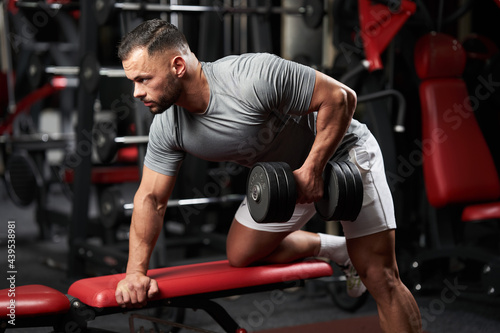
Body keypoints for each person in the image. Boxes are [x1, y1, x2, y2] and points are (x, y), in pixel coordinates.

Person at [114, 19, 422, 332]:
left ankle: (361, 258)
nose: (136, 92)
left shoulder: (251, 76)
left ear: (177, 66)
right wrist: (135, 272)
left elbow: (342, 98)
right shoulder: (168, 127)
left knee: (380, 276)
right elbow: (151, 198)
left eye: (143, 79)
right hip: (286, 181)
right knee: (241, 253)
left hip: (343, 154)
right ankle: (339, 250)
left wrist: (313, 169)